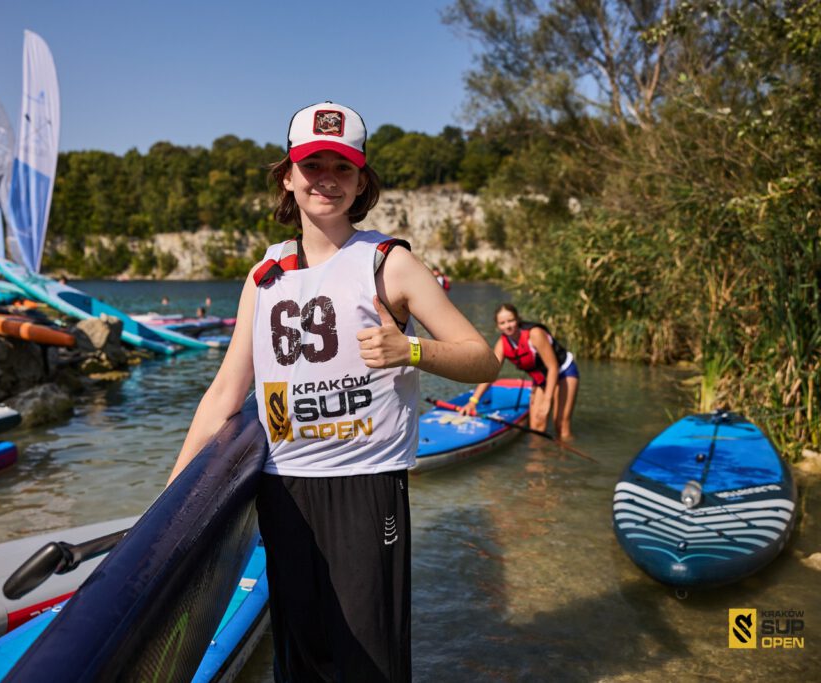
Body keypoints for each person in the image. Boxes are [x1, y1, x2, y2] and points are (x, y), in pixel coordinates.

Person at [167, 101, 499, 681]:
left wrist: (411, 350)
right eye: (312, 165)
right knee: (300, 661)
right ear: (287, 177)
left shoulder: (389, 263)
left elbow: (483, 359)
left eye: (342, 167)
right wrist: (168, 504)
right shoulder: (264, 275)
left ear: (361, 181)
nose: (327, 179)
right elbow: (225, 393)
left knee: (368, 662)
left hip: (365, 487)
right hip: (283, 488)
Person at [458, 303, 580, 439]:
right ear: (498, 326)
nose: (507, 326)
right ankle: (540, 453)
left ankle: (566, 448)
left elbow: (553, 367)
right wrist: (473, 401)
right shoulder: (502, 345)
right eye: (502, 323)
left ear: (518, 319)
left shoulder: (535, 334)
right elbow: (490, 374)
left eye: (511, 320)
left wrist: (547, 400)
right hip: (542, 378)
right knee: (537, 426)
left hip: (563, 371)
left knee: (561, 425)